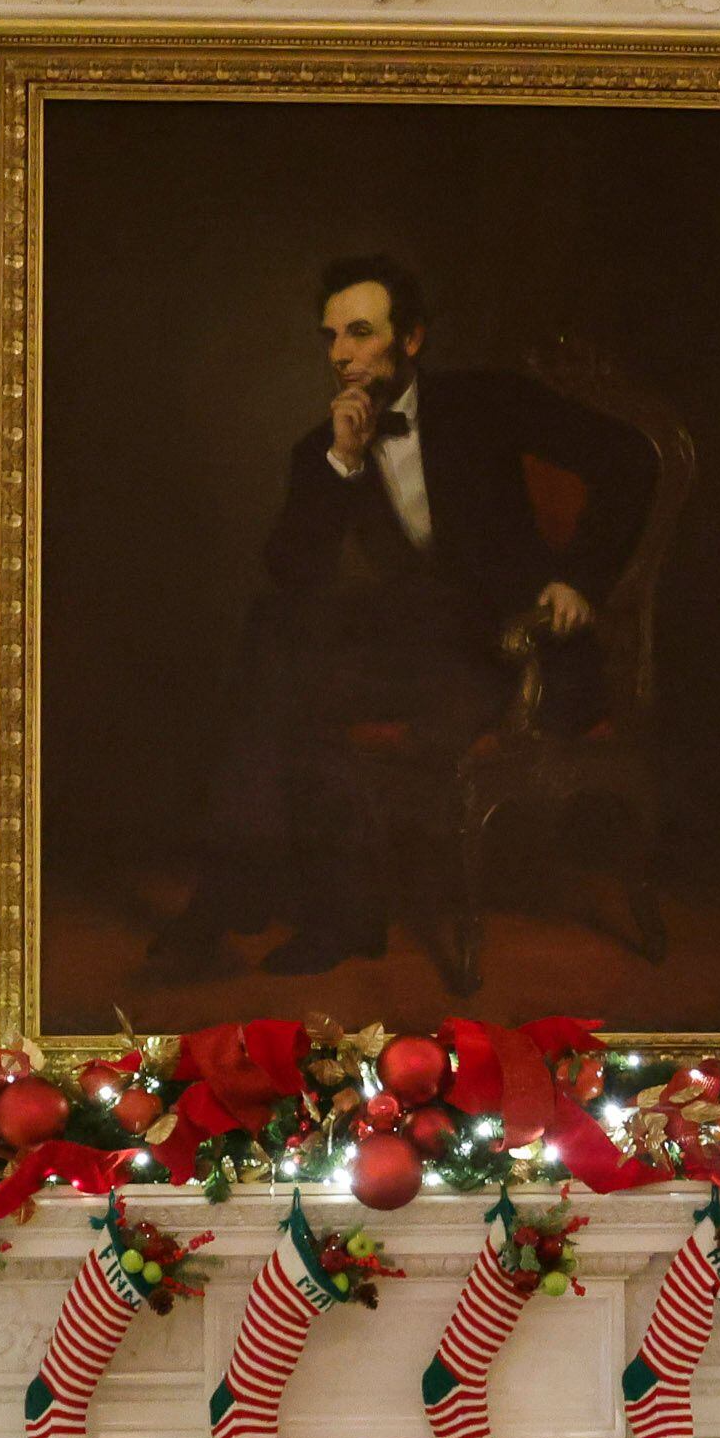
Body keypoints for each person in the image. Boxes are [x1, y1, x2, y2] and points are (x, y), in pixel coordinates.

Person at [149, 258, 658, 982]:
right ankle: (336, 912)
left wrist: (579, 577)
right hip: (432, 649)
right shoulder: (323, 448)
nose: (341, 355)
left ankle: (249, 892)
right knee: (282, 642)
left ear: (410, 338)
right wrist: (344, 462)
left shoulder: (486, 401)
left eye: (360, 332)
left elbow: (631, 458)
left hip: (521, 651)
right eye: (330, 337)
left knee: (287, 668)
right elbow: (292, 572)